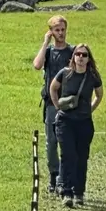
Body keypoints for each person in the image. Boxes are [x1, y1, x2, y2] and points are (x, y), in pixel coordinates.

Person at [49, 44, 104, 206]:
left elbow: (99, 95)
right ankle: (66, 192)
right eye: (78, 54)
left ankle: (79, 192)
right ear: (73, 56)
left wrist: (90, 109)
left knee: (82, 157)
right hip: (65, 121)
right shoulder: (65, 73)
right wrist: (57, 106)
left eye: (84, 55)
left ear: (88, 59)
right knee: (68, 155)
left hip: (84, 123)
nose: (80, 57)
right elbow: (53, 88)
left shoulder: (92, 76)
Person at [32, 15, 73, 194]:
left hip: (69, 104)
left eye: (63, 29)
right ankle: (53, 175)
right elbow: (37, 65)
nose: (61, 33)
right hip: (50, 103)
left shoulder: (72, 52)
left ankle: (65, 178)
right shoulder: (48, 52)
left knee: (68, 142)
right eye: (57, 30)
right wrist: (45, 43)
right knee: (51, 142)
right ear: (51, 31)